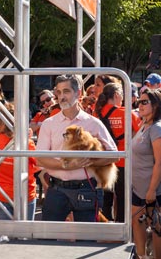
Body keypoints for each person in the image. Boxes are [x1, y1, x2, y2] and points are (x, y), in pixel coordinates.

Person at [36, 74, 118, 222]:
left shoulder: (93, 123)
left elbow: (115, 155)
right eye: (59, 92)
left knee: (86, 241)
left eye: (66, 91)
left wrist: (90, 161)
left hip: (86, 189)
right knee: (47, 240)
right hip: (57, 189)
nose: (61, 97)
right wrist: (67, 165)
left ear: (78, 93)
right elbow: (40, 159)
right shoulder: (49, 123)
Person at [95, 83, 140, 222]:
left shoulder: (97, 113)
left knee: (105, 198)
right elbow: (140, 136)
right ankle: (121, 226)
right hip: (123, 161)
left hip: (104, 162)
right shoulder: (128, 113)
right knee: (122, 198)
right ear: (116, 95)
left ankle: (105, 226)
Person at [0, 103, 39, 229]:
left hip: (10, 195)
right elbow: (37, 166)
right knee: (22, 239)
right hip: (16, 195)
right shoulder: (26, 142)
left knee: (5, 238)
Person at [132, 88, 161, 259]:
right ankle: (142, 256)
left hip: (153, 191)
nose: (140, 105)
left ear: (156, 105)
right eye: (139, 102)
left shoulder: (156, 129)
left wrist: (151, 190)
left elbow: (159, 162)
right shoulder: (144, 125)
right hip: (138, 188)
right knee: (137, 222)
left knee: (157, 228)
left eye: (144, 102)